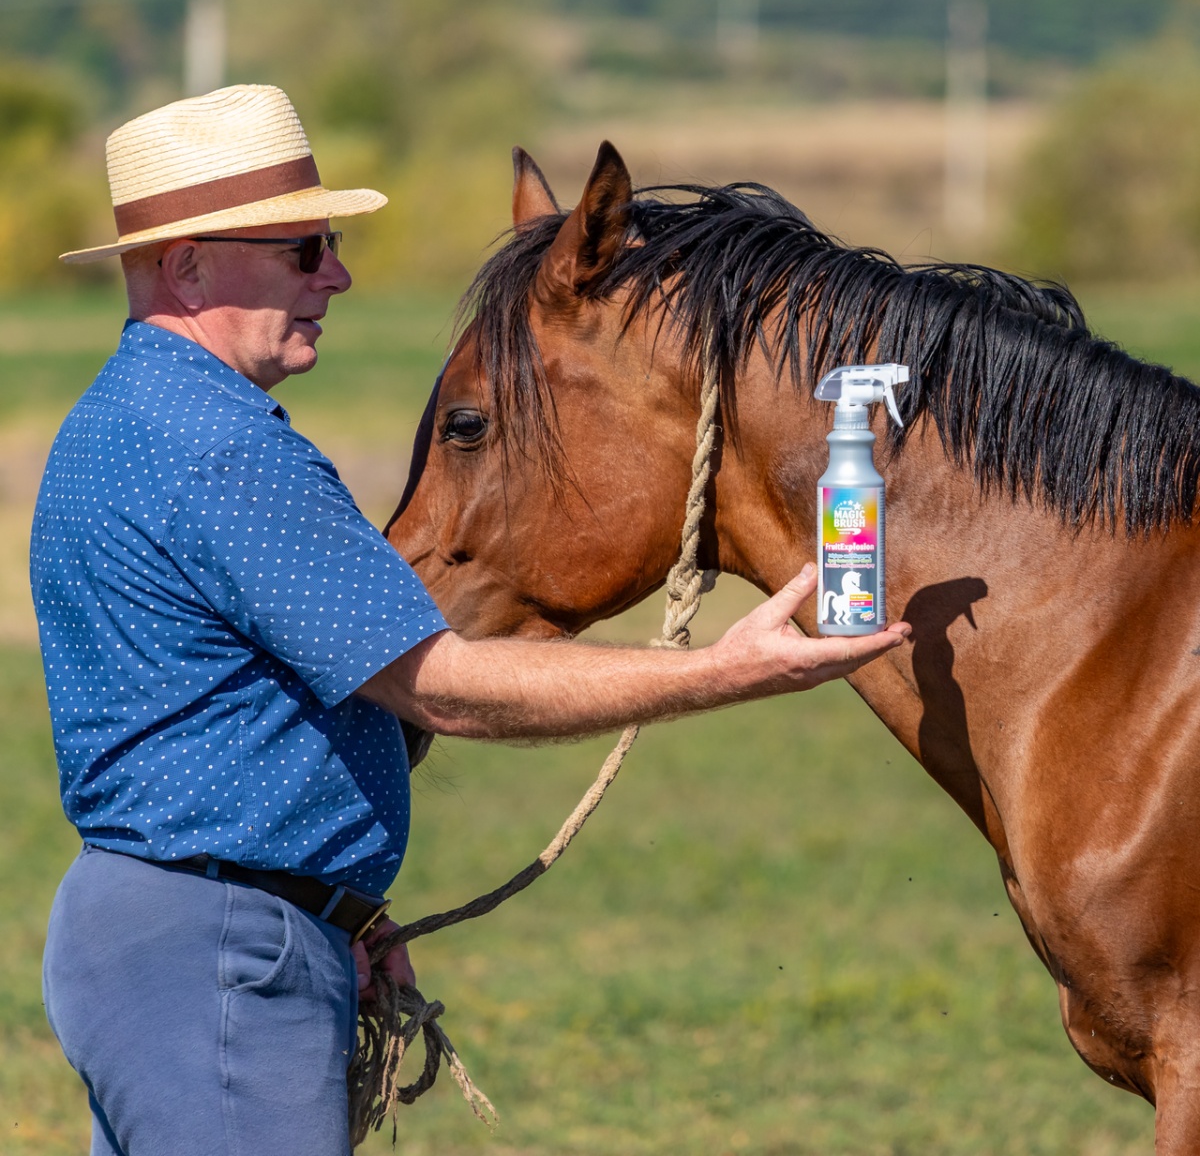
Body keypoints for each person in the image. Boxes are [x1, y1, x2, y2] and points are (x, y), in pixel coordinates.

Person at [30, 84, 909, 1156]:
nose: (336, 275)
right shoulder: (223, 452)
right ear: (190, 267)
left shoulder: (121, 419)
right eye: (303, 250)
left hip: (185, 936)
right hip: (219, 955)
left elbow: (210, 720)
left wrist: (330, 907)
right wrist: (726, 670)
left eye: (331, 244)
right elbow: (440, 685)